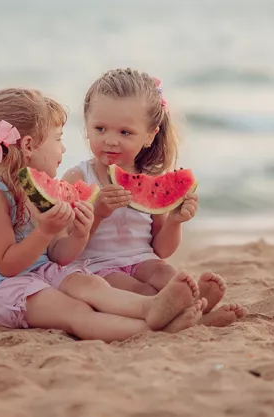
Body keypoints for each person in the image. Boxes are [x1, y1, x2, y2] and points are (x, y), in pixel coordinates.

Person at [0, 87, 205, 343]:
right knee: (76, 311)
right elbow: (7, 266)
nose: (63, 149)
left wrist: (80, 232)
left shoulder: (39, 189)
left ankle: (149, 307)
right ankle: (153, 331)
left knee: (93, 286)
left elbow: (60, 255)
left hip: (41, 270)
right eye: (58, 139)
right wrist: (44, 231)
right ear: (29, 145)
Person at [62, 69, 247, 327]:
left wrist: (174, 221)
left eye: (125, 132)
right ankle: (195, 317)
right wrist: (98, 212)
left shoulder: (152, 180)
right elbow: (64, 249)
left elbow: (161, 249)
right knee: (142, 292)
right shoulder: (77, 177)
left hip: (144, 260)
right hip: (97, 267)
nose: (110, 140)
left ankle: (193, 310)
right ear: (86, 127)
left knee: (168, 274)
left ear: (150, 135)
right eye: (100, 128)